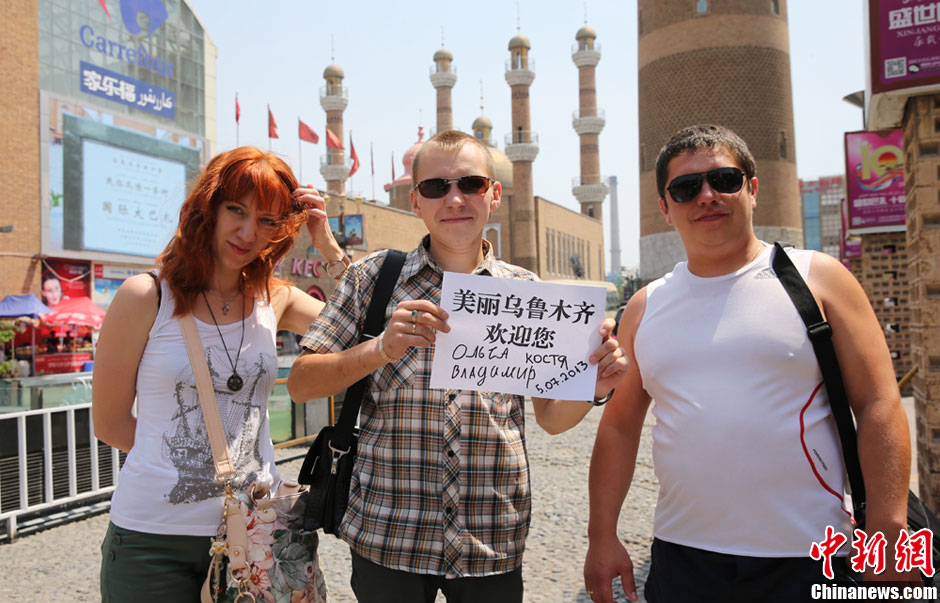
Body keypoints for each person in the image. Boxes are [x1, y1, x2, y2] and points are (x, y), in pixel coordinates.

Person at [288, 130, 628, 603]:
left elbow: (550, 417)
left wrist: (593, 385)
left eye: (469, 184)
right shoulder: (375, 279)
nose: (454, 199)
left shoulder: (527, 293)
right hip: (390, 533)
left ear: (493, 195)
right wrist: (380, 349)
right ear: (416, 202)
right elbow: (301, 383)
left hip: (490, 535)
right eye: (436, 187)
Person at [582, 124, 917, 603]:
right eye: (685, 188)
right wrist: (602, 535)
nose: (707, 196)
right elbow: (618, 429)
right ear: (665, 208)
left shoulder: (818, 279)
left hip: (814, 555)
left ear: (752, 189)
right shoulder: (645, 306)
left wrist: (889, 525)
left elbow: (879, 403)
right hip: (684, 557)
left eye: (724, 180)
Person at [92, 146, 348, 601]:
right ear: (207, 207)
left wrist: (325, 242)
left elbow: (357, 328)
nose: (249, 232)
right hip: (153, 539)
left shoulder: (277, 299)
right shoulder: (145, 297)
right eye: (237, 210)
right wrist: (185, 462)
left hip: (259, 533)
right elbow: (109, 423)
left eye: (268, 220)